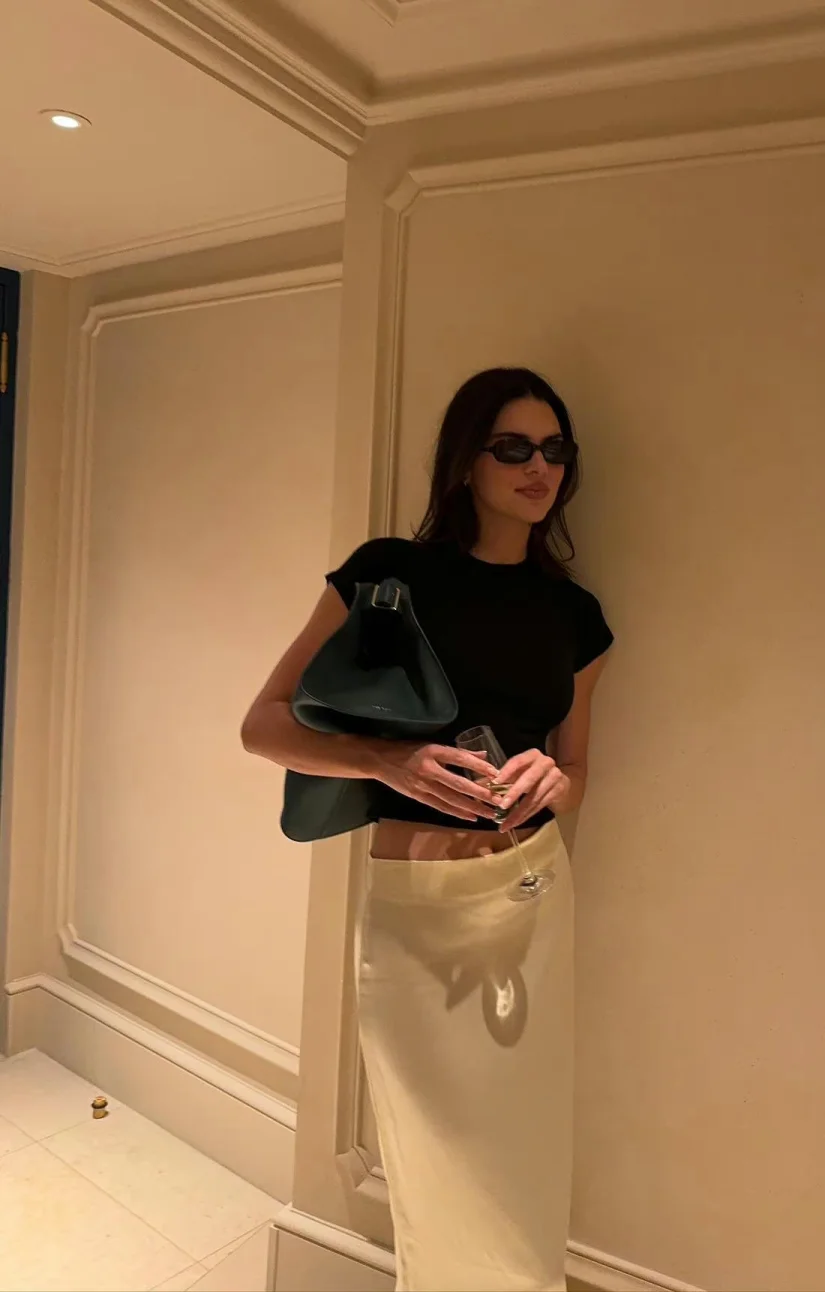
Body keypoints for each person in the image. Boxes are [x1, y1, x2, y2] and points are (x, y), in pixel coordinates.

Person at [241, 367, 614, 1291]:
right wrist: (386, 761)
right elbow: (263, 725)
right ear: (466, 462)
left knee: (522, 1157)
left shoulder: (575, 616)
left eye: (555, 450)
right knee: (435, 1159)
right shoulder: (389, 577)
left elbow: (579, 771)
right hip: (417, 910)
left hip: (529, 895)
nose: (539, 468)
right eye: (513, 447)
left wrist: (554, 780)